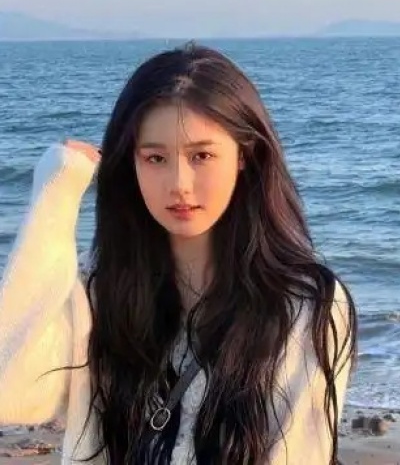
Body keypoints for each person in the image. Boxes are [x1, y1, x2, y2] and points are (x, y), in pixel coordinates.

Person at [0, 43, 357, 465]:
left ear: (244, 154)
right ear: (131, 164)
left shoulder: (302, 304)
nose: (179, 184)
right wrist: (56, 193)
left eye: (201, 155)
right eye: (155, 158)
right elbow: (11, 391)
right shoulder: (100, 290)